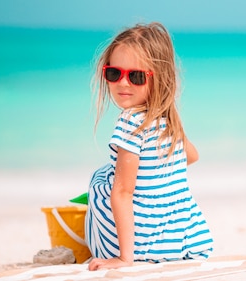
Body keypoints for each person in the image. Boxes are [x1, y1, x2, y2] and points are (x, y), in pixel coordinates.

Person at [85, 22, 213, 271]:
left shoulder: (130, 122)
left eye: (136, 76)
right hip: (182, 244)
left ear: (159, 78)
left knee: (100, 180)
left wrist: (125, 259)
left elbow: (122, 193)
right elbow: (193, 156)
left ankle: (120, 250)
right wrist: (155, 175)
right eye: (114, 73)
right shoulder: (169, 121)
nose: (123, 83)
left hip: (138, 246)